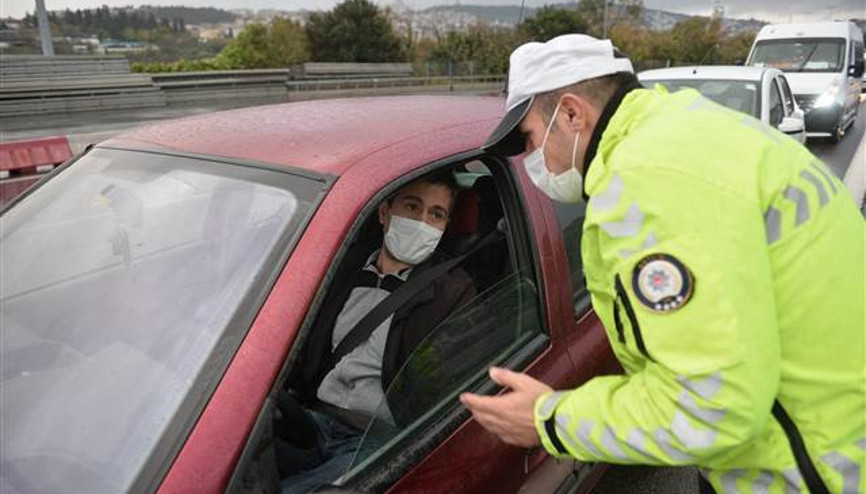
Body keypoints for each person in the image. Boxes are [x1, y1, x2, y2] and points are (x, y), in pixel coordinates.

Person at [460, 34, 865, 494]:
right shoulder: (689, 130)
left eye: (529, 140)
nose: (532, 161)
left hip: (810, 472)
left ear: (572, 113)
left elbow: (712, 406)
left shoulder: (645, 183)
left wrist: (550, 420)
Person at [280, 172, 475, 494]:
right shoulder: (342, 264)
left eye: (436, 215)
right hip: (312, 416)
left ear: (444, 227)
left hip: (377, 439)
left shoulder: (452, 292)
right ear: (384, 213)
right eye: (412, 207)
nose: (422, 222)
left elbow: (444, 383)